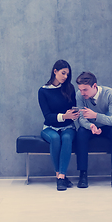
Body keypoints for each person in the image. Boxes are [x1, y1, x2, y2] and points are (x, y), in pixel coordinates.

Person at [75, 72, 112, 188]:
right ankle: (83, 174)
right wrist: (90, 126)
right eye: (80, 90)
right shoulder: (79, 95)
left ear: (94, 86)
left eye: (85, 90)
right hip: (90, 126)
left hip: (107, 126)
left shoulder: (110, 93)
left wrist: (95, 115)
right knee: (81, 133)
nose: (82, 93)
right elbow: (81, 119)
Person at [38, 60, 80, 191]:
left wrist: (73, 114)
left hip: (68, 127)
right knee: (55, 138)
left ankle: (61, 177)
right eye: (63, 73)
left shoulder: (69, 88)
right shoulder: (43, 91)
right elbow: (48, 117)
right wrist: (64, 116)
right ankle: (60, 176)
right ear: (54, 71)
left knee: (66, 138)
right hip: (50, 127)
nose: (65, 77)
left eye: (67, 74)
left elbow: (73, 109)